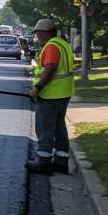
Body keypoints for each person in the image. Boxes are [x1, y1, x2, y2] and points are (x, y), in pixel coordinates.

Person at [26, 19, 76, 174]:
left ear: (47, 32)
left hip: (50, 94)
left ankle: (43, 161)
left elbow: (50, 68)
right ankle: (61, 162)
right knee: (59, 127)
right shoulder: (63, 44)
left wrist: (38, 87)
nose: (37, 37)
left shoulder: (52, 46)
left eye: (39, 33)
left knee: (45, 128)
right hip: (64, 93)